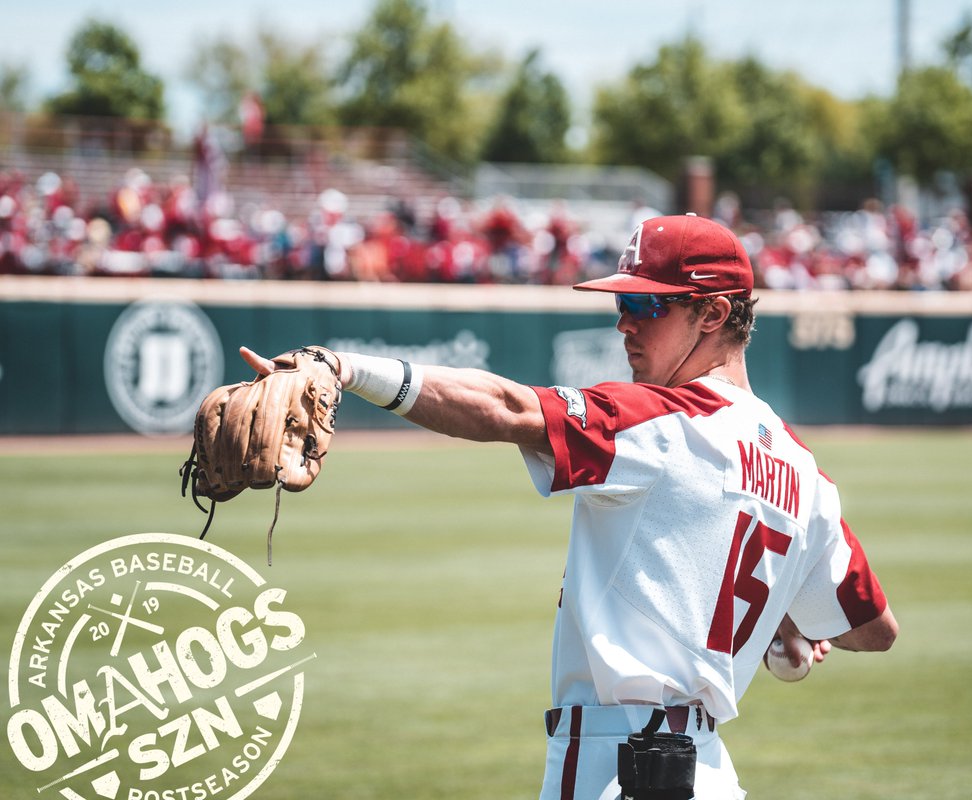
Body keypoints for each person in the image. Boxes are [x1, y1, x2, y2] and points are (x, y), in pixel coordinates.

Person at [241, 213, 898, 799]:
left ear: (714, 314)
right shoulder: (805, 473)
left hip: (615, 768)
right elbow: (873, 629)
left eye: (647, 303)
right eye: (625, 302)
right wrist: (787, 617)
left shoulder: (661, 421)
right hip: (710, 773)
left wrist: (345, 368)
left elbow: (506, 407)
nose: (625, 322)